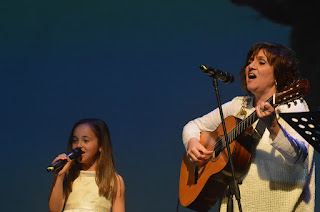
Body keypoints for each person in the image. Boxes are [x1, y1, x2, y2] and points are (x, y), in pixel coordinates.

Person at [182, 42, 315, 211]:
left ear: (277, 74)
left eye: (261, 62)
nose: (250, 66)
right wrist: (192, 143)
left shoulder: (292, 105)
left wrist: (273, 126)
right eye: (250, 61)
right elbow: (193, 126)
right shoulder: (239, 106)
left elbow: (299, 157)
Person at [48, 118, 125, 212]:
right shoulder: (68, 176)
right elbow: (54, 210)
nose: (79, 145)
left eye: (86, 140)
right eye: (75, 140)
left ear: (100, 145)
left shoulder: (114, 180)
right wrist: (59, 176)